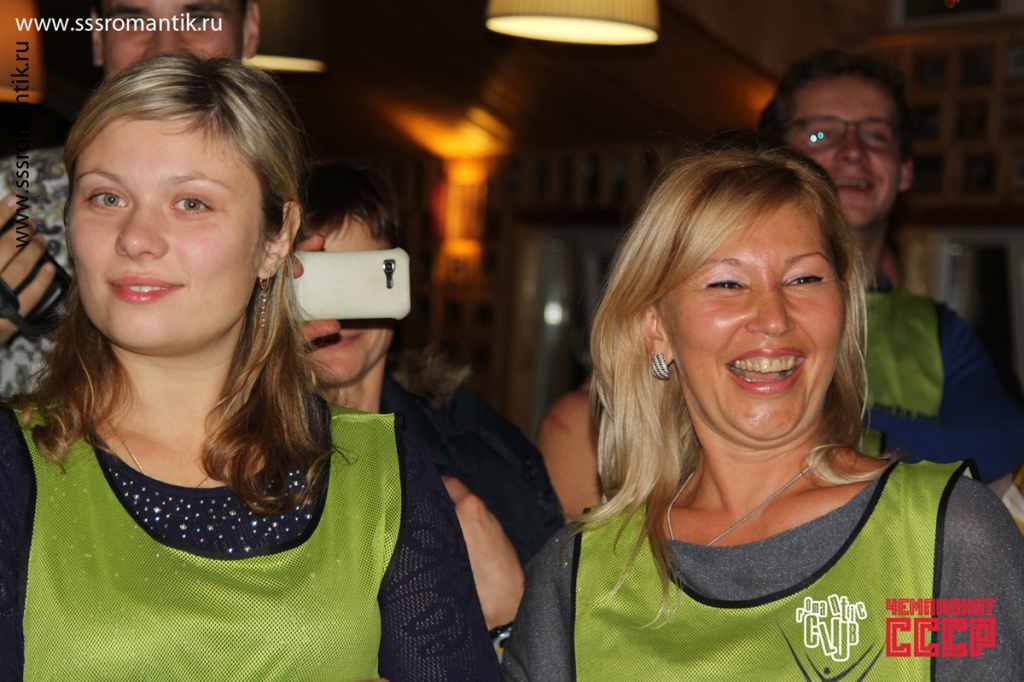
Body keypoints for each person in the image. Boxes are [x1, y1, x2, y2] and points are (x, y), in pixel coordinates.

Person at [0, 54, 499, 680]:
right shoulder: (13, 465)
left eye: (190, 203)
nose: (135, 237)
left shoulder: (383, 477)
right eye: (106, 197)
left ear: (275, 238)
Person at [503, 143, 1024, 680]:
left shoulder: (943, 539)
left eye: (804, 279)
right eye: (726, 283)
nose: (774, 318)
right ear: (656, 328)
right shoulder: (579, 580)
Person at [301, 161, 564, 632]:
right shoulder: (213, 462)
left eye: (361, 279)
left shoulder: (488, 456)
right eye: (314, 283)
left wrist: (511, 617)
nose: (338, 311)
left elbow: (565, 652)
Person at [759, 49, 1024, 482]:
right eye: (821, 134)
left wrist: (842, 433)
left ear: (904, 171)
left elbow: (1004, 443)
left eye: (876, 136)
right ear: (772, 162)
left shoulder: (939, 332)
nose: (853, 151)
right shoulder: (730, 304)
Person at [0, 0, 261, 394]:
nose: (166, 48)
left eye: (199, 17)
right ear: (96, 36)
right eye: (131, 20)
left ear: (250, 27)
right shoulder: (8, 194)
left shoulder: (318, 222)